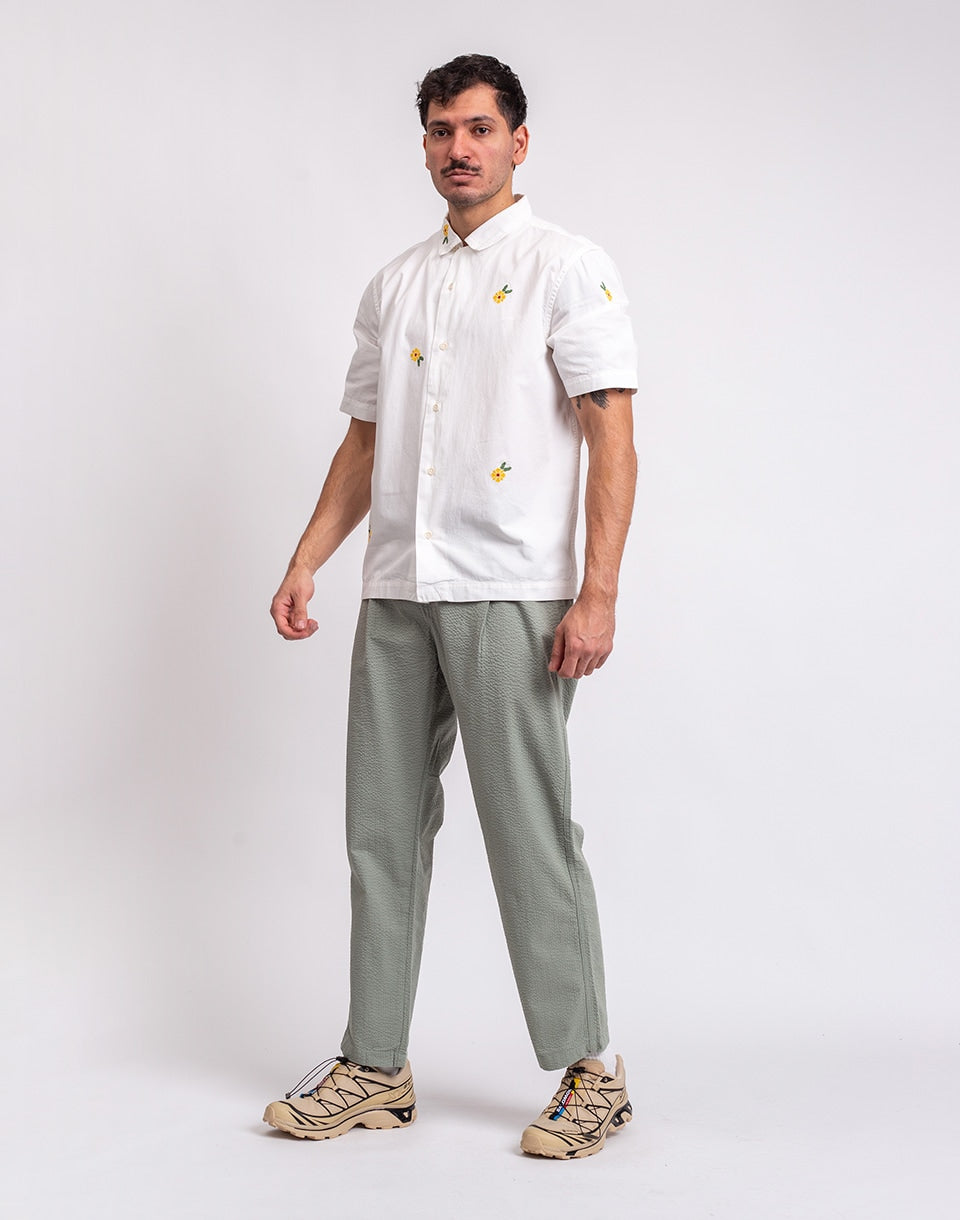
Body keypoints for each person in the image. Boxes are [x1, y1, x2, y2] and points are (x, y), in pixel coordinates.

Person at [263, 53, 638, 1160]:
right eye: (441, 130)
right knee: (380, 832)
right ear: (424, 144)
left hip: (511, 588)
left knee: (529, 830)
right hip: (398, 587)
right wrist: (308, 557)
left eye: (478, 129)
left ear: (518, 142)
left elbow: (613, 437)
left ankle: (593, 1071)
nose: (458, 148)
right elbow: (364, 441)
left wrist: (597, 594)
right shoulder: (394, 283)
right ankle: (376, 1064)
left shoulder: (568, 265)